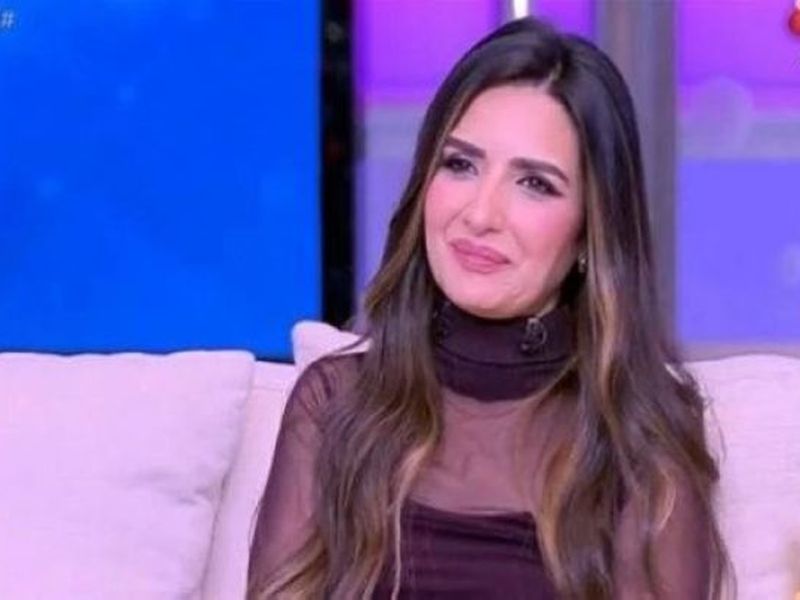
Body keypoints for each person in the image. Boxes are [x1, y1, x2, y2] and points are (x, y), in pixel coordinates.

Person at [247, 16, 731, 600]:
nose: (480, 214)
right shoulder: (335, 404)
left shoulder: (639, 440)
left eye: (535, 184)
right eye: (461, 165)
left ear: (590, 232)